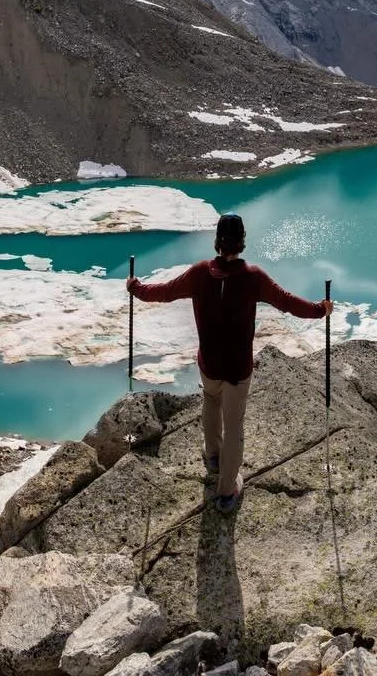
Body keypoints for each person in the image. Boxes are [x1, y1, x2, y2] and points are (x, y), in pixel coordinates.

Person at [127, 213, 332, 514]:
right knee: (234, 423)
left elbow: (165, 292)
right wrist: (320, 310)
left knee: (210, 400)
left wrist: (137, 288)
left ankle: (213, 457)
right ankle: (227, 491)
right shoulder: (253, 277)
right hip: (238, 369)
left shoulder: (199, 273)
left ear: (218, 242)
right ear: (242, 241)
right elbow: (287, 302)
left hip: (209, 362)